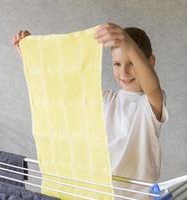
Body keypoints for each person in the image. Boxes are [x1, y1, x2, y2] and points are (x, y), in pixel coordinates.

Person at [13, 23, 168, 199]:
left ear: (150, 62)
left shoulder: (148, 105)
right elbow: (61, 84)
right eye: (117, 64)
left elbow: (152, 87)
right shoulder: (106, 99)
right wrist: (31, 53)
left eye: (132, 63)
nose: (123, 72)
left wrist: (129, 44)